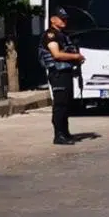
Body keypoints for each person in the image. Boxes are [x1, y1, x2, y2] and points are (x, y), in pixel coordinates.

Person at [38, 8, 85, 145]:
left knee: (67, 104)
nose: (64, 21)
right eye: (61, 18)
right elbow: (56, 54)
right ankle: (59, 135)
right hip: (58, 74)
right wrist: (75, 56)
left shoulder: (63, 35)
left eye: (65, 18)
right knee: (60, 104)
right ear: (53, 20)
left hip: (66, 72)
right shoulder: (51, 35)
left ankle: (65, 132)